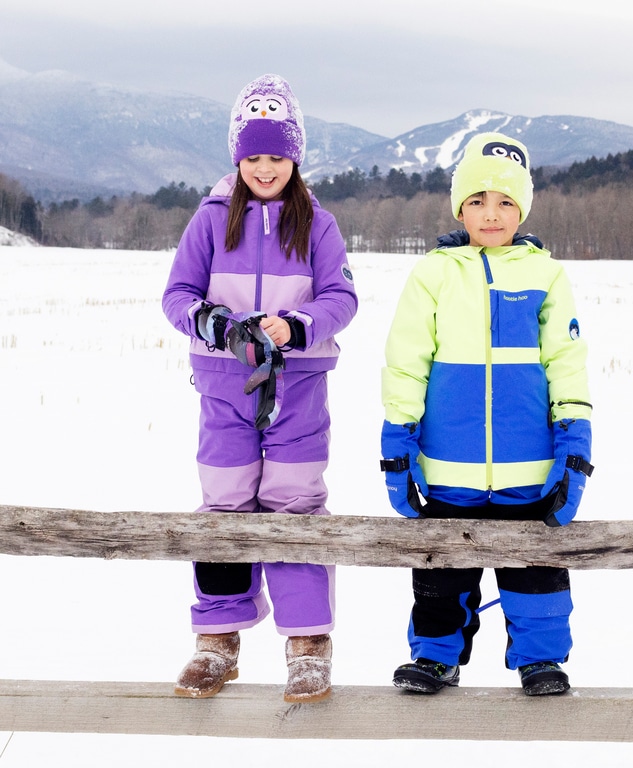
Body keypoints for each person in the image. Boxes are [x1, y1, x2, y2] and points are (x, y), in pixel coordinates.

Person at [162, 74, 357, 703]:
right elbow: (176, 297)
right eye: (253, 156)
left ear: (294, 158)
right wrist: (215, 323)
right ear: (236, 158)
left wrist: (297, 327)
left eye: (277, 156)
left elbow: (342, 298)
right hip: (225, 386)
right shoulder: (211, 220)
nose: (265, 168)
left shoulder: (318, 225)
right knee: (224, 504)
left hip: (298, 388)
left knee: (295, 502)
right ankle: (217, 640)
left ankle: (308, 643)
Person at [380, 132, 593, 697]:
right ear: (459, 207)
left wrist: (575, 442)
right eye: (476, 201)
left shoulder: (545, 275)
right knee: (441, 569)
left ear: (522, 208)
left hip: (529, 467)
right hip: (449, 466)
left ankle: (540, 660)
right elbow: (406, 362)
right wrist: (397, 438)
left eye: (504, 202)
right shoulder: (434, 273)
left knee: (536, 568)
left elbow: (567, 362)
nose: (491, 214)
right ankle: (434, 657)